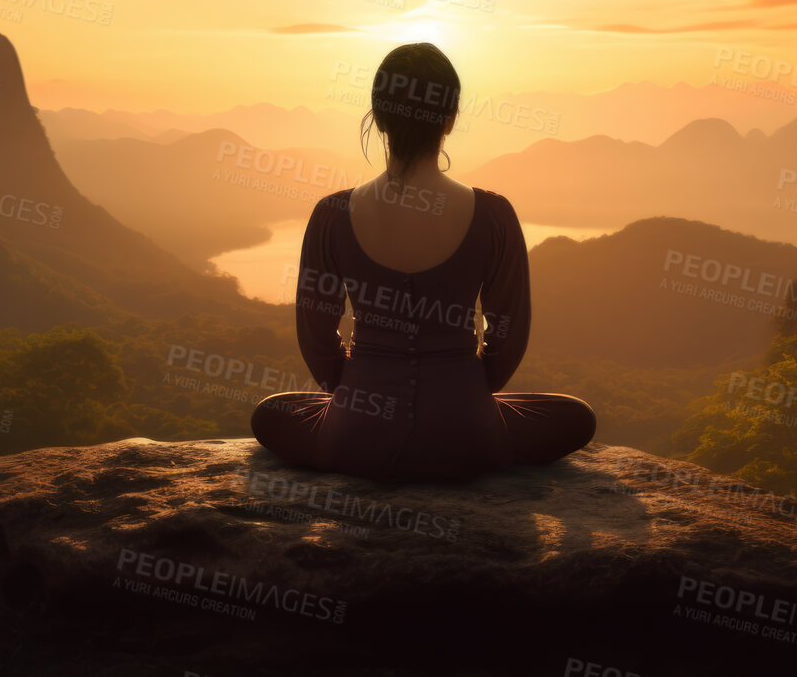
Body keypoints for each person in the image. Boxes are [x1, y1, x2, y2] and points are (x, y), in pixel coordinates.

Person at [251, 42, 596, 483]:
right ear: (450, 120)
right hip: (468, 432)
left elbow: (316, 337)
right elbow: (508, 334)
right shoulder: (493, 216)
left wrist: (355, 393)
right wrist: (468, 394)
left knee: (270, 413)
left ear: (377, 118)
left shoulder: (331, 214)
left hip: (357, 432)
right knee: (576, 416)